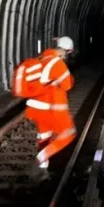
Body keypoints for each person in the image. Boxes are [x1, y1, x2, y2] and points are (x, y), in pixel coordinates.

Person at [25, 36, 77, 181]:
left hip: (35, 106)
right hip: (49, 107)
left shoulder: (41, 59)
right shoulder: (57, 63)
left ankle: (41, 173)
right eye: (68, 53)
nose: (67, 56)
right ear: (64, 51)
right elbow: (67, 85)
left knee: (44, 138)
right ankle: (40, 158)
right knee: (68, 134)